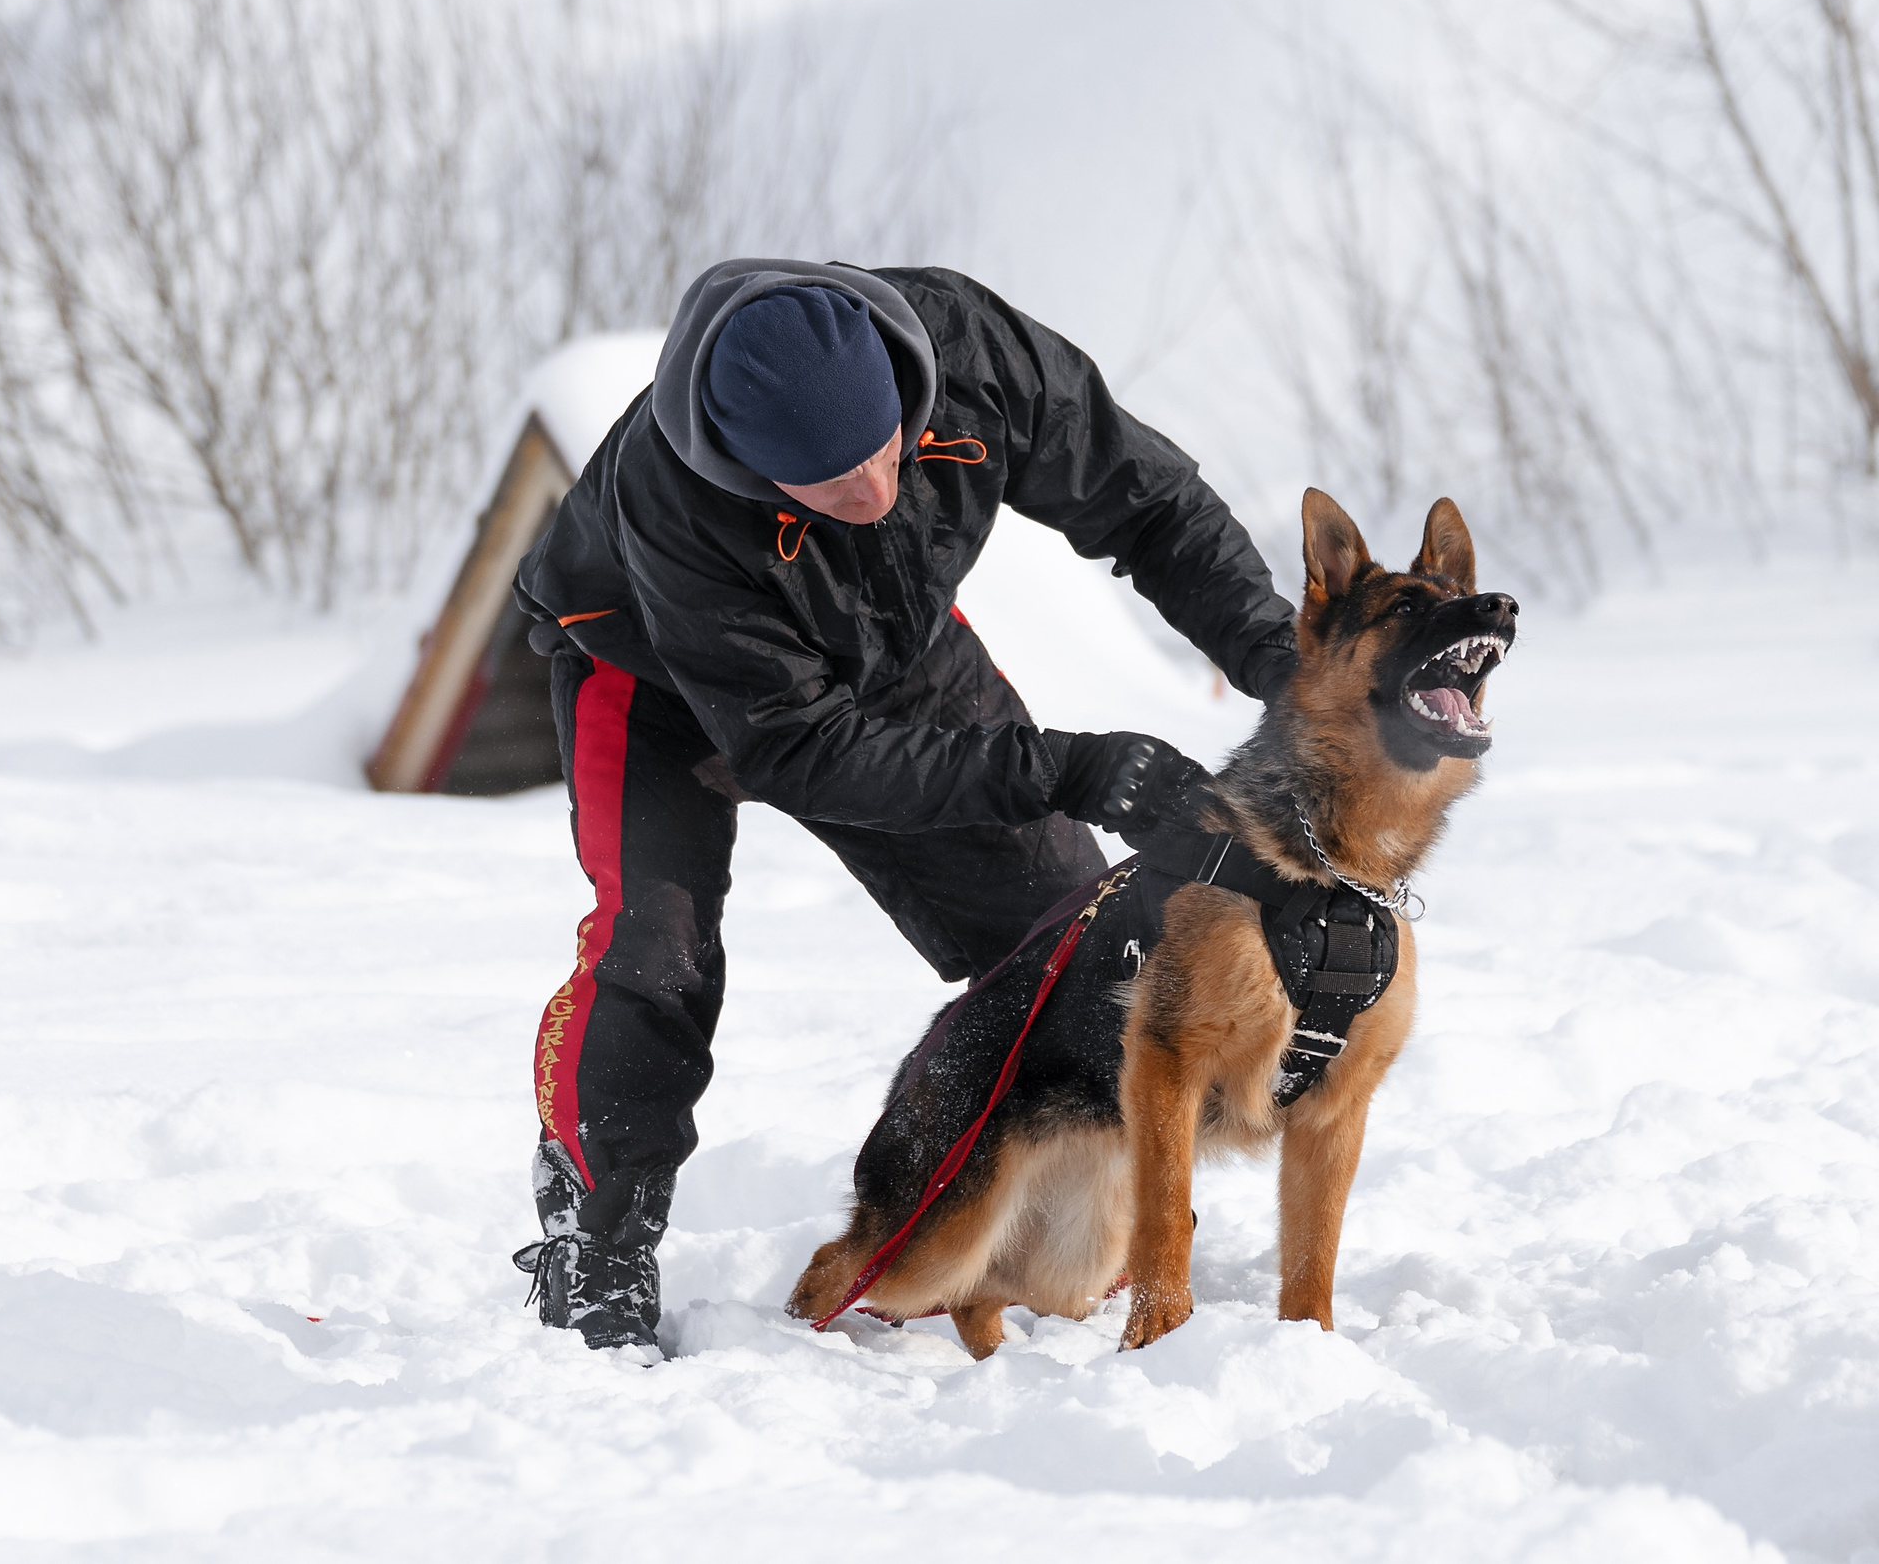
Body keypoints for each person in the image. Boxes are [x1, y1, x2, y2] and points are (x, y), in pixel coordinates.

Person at [509, 260, 1299, 1352]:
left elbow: (1146, 500)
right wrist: (1061, 765)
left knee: (1067, 933)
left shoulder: (968, 349)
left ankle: (1068, 1226)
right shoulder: (675, 503)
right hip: (649, 678)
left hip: (892, 645)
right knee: (656, 953)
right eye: (831, 486)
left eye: (888, 449)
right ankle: (595, 1243)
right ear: (747, 466)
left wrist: (1275, 655)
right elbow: (801, 749)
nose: (875, 492)